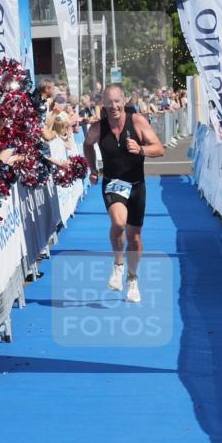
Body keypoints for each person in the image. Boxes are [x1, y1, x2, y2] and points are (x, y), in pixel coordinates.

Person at [82, 84, 165, 304]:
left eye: (117, 101)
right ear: (103, 104)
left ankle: (133, 278)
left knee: (135, 238)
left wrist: (141, 150)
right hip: (113, 183)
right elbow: (87, 145)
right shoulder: (98, 128)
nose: (113, 107)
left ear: (124, 100)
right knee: (119, 223)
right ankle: (118, 266)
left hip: (137, 185)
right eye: (108, 103)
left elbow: (159, 148)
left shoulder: (137, 121)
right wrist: (92, 170)